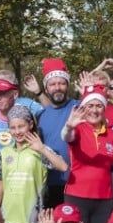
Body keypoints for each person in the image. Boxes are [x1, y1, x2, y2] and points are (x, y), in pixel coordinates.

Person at [0, 105, 67, 223]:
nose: (17, 132)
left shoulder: (40, 150)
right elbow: (0, 184)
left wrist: (42, 149)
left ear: (30, 124)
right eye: (13, 128)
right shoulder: (4, 152)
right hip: (7, 218)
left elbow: (63, 167)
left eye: (21, 126)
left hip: (33, 220)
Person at [62, 85, 113, 223]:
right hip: (77, 195)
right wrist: (68, 127)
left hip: (104, 198)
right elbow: (67, 137)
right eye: (90, 106)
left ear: (104, 109)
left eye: (99, 106)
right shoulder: (78, 130)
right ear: (83, 108)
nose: (94, 110)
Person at [35, 58, 80, 208]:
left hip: (77, 181)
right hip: (51, 183)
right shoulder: (40, 115)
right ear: (46, 88)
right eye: (52, 84)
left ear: (67, 85)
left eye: (61, 83)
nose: (57, 88)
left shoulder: (79, 108)